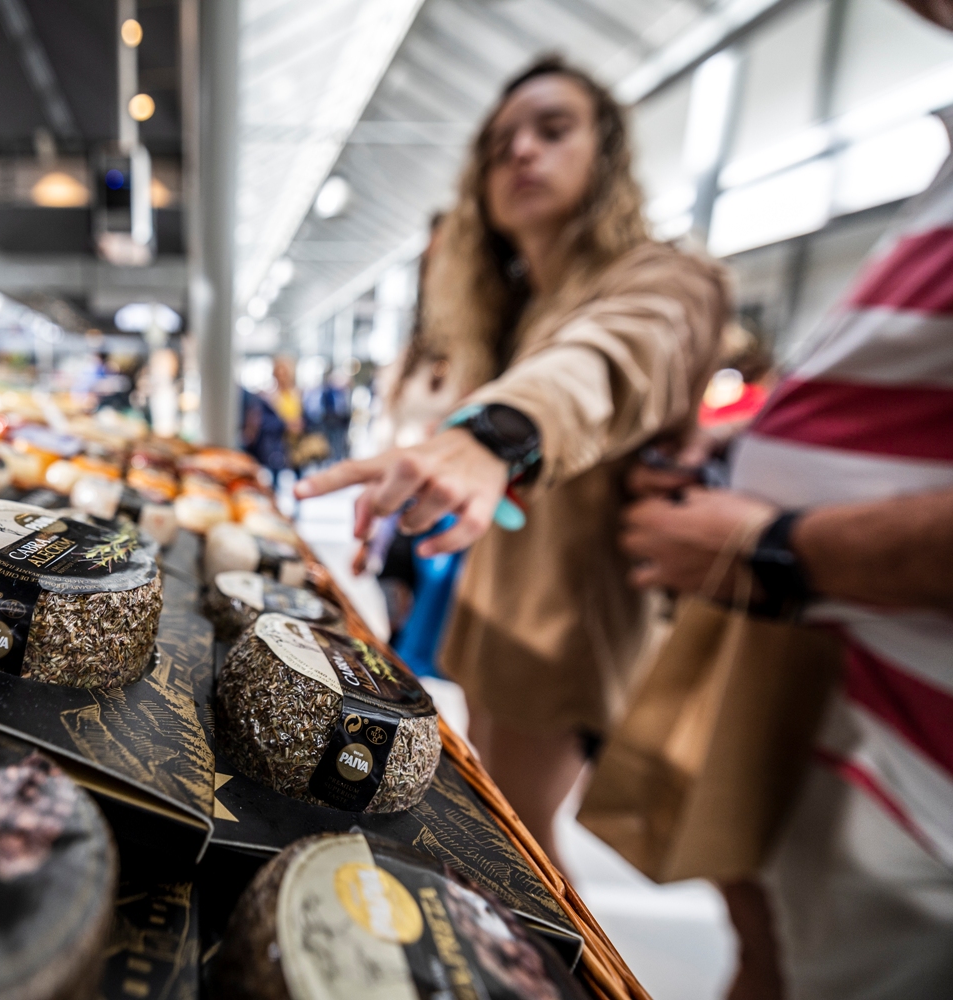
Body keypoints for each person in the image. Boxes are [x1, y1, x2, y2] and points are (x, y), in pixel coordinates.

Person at [297, 55, 730, 866]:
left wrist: (494, 434)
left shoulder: (667, 278)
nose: (522, 152)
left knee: (517, 848)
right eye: (500, 145)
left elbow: (604, 362)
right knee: (494, 812)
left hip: (570, 616)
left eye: (553, 130)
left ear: (606, 153)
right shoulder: (515, 307)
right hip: (497, 599)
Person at [618, 6, 953, 994]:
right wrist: (731, 456)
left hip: (918, 781)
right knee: (767, 946)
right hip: (827, 692)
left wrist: (777, 546)